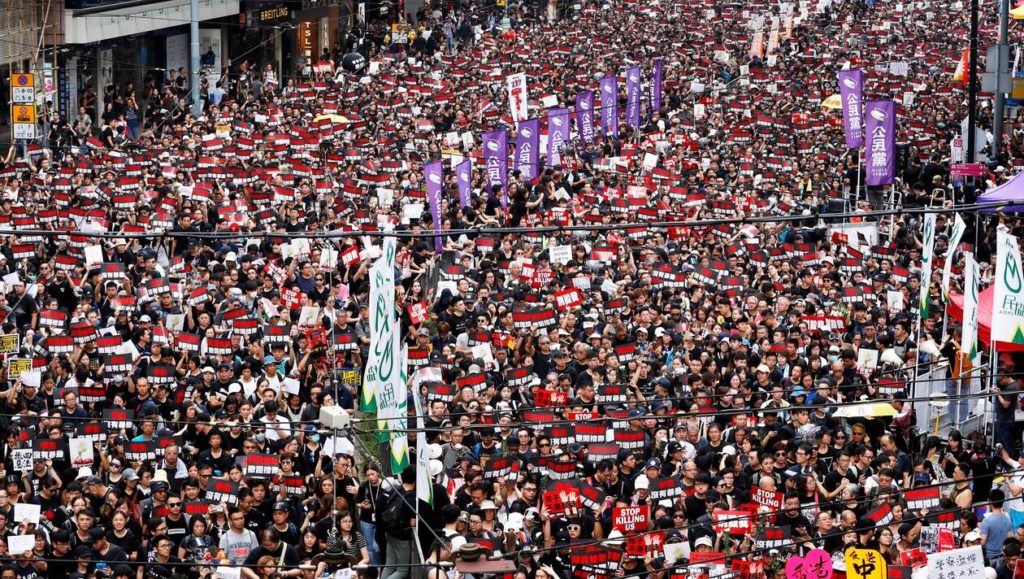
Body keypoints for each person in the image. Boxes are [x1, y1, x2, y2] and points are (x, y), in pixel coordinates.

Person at [981, 489, 1013, 565]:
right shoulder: (1008, 519)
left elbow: (982, 541)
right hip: (1003, 558)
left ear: (990, 502)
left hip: (989, 558)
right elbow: (1009, 539)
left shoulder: (987, 521)